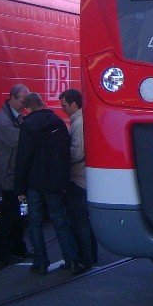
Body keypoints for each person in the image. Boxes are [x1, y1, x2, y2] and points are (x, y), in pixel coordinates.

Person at [14, 93, 83, 274]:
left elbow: (23, 159)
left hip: (34, 183)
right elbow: (64, 154)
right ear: (43, 104)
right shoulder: (58, 123)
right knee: (60, 221)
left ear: (28, 108)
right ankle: (72, 260)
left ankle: (40, 262)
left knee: (34, 223)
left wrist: (19, 186)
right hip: (54, 183)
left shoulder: (27, 126)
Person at [0, 84, 32, 265]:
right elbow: (19, 140)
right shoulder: (4, 120)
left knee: (20, 213)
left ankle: (18, 246)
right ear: (13, 98)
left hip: (17, 175)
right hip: (10, 176)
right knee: (10, 214)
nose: (25, 105)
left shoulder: (15, 116)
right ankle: (5, 252)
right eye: (23, 101)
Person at [60, 88, 98, 269]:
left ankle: (86, 258)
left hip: (78, 178)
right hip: (83, 177)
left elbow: (77, 152)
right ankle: (90, 256)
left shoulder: (78, 123)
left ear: (74, 104)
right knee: (83, 220)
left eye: (65, 105)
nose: (63, 109)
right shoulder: (80, 121)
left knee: (79, 220)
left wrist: (62, 159)